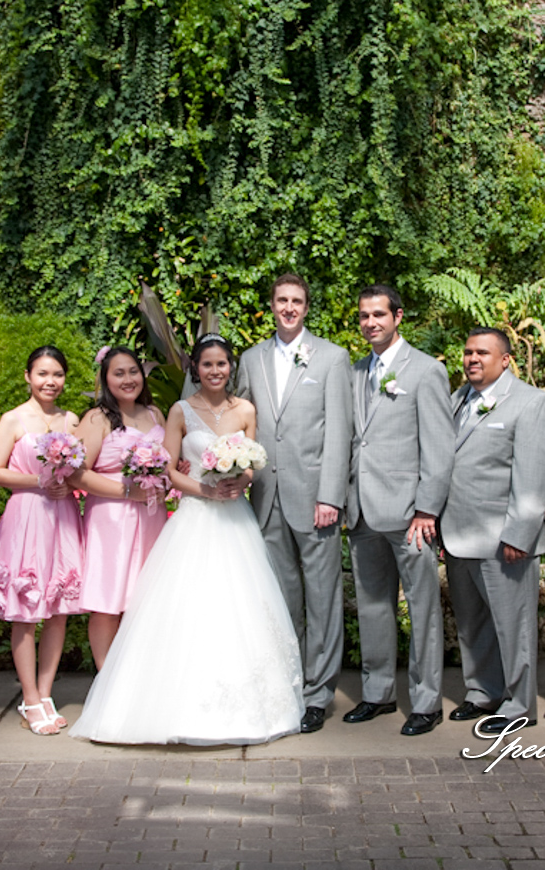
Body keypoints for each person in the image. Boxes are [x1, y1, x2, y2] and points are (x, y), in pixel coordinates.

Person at [71, 334, 303, 744]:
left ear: (231, 367)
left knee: (238, 603)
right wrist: (204, 490)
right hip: (195, 516)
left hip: (235, 520)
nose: (215, 371)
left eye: (222, 364)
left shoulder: (246, 410)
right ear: (195, 368)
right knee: (185, 605)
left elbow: (255, 461)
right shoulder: (178, 411)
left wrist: (240, 479)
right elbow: (169, 468)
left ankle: (250, 708)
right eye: (207, 364)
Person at [234, 273, 352, 734]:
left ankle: (318, 694)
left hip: (314, 500)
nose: (288, 308)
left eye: (296, 301)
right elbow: (242, 422)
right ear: (271, 305)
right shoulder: (251, 359)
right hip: (266, 497)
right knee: (282, 600)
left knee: (322, 601)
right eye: (281, 300)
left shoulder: (332, 357)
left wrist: (331, 496)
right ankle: (287, 684)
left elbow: (340, 431)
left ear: (307, 307)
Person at [344, 284, 453, 736]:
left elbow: (440, 447)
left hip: (410, 515)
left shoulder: (426, 371)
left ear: (398, 317)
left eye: (379, 315)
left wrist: (427, 510)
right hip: (363, 512)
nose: (371, 323)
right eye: (365, 316)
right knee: (372, 606)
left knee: (424, 609)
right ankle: (378, 693)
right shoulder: (354, 373)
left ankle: (427, 702)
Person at [440, 328, 545, 735]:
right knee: (472, 623)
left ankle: (520, 702)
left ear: (505, 359)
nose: (472, 359)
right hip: (457, 533)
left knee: (513, 624)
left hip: (503, 538)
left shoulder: (531, 403)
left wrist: (519, 534)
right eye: (468, 351)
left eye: (482, 353)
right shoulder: (457, 400)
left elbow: (535, 475)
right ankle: (482, 691)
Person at [0, 345, 83, 735]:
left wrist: (67, 481)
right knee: (25, 612)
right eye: (42, 374)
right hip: (26, 516)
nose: (49, 381)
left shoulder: (72, 421)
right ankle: (29, 697)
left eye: (56, 374)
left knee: (57, 610)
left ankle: (46, 692)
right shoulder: (13, 419)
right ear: (28, 376)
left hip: (62, 516)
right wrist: (39, 480)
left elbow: (82, 469)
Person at [72, 347, 168, 669]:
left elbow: (167, 463)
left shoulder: (154, 414)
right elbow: (76, 473)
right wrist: (126, 491)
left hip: (152, 516)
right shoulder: (96, 418)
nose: (128, 379)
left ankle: (135, 678)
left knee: (142, 600)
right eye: (119, 373)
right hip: (111, 518)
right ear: (105, 378)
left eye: (133, 372)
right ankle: (105, 678)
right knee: (108, 601)